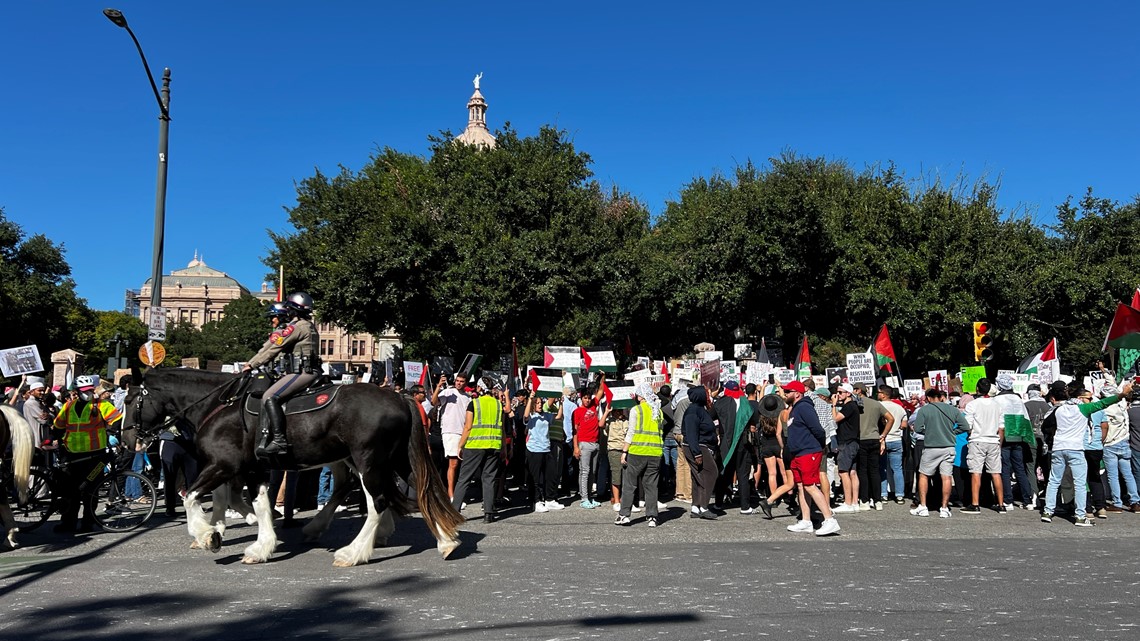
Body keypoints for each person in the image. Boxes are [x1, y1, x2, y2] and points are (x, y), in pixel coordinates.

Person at [1041, 380, 1132, 526]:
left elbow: (1046, 425)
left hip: (1059, 447)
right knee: (1080, 483)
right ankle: (1080, 515)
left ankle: (1048, 511)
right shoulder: (1083, 408)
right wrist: (1121, 394)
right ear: (1081, 397)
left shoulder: (1059, 409)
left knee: (1054, 481)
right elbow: (1103, 404)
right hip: (1076, 448)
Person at [244, 292, 322, 457]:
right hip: (313, 371)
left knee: (269, 396)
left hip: (302, 372)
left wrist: (251, 364)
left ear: (293, 310)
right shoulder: (308, 325)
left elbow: (273, 348)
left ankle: (279, 439)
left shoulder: (296, 327)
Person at [50, 375, 124, 533]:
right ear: (77, 391)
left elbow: (117, 420)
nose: (88, 393)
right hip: (72, 455)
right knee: (71, 491)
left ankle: (88, 521)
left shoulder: (101, 405)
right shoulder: (68, 406)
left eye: (90, 390)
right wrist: (54, 440)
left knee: (91, 490)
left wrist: (110, 433)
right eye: (84, 391)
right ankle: (68, 522)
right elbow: (58, 426)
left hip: (95, 456)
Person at [781, 381, 840, 536]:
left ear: (797, 393)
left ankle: (829, 519)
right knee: (800, 486)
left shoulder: (805, 407)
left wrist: (818, 446)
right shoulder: (795, 408)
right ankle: (806, 521)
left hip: (809, 451)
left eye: (788, 391)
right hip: (798, 453)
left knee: (810, 485)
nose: (785, 393)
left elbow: (818, 429)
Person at [451, 377, 506, 522]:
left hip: (475, 445)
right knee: (489, 479)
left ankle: (454, 512)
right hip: (494, 445)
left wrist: (460, 445)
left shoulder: (474, 404)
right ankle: (488, 513)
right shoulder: (499, 404)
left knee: (464, 479)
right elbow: (502, 428)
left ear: (479, 388)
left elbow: (468, 427)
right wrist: (504, 447)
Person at [909, 387, 968, 518]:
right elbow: (965, 426)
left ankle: (923, 506)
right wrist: (952, 433)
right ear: (940, 397)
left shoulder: (924, 410)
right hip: (948, 447)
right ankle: (944, 507)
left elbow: (917, 428)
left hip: (931, 447)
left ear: (928, 398)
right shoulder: (953, 410)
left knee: (924, 475)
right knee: (946, 477)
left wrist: (929, 433)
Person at [614, 383, 664, 527]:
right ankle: (652, 517)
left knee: (630, 485)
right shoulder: (658, 411)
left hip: (637, 452)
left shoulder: (636, 410)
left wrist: (624, 452)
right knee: (651, 486)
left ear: (640, 396)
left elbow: (631, 433)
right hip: (655, 453)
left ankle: (624, 515)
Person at [961, 378, 1006, 513]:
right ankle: (1001, 503)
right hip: (994, 440)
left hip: (978, 440)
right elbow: (1001, 428)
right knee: (996, 473)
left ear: (977, 389)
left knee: (976, 472)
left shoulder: (972, 405)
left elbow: (968, 425)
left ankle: (975, 504)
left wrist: (971, 433)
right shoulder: (997, 405)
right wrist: (999, 443)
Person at [713, 380, 758, 514]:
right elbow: (754, 420)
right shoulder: (746, 403)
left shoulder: (720, 403)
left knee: (724, 473)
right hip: (743, 443)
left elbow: (710, 416)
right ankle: (745, 506)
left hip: (726, 443)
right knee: (743, 474)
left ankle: (718, 504)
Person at [992, 373, 1035, 510]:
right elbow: (1025, 418)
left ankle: (1008, 500)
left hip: (1004, 437)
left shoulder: (997, 400)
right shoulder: (1018, 399)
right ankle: (1027, 500)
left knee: (1004, 468)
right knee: (1020, 469)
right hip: (1018, 437)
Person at [432, 371, 471, 500]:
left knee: (459, 464)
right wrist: (438, 386)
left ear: (466, 383)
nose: (459, 383)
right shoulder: (448, 392)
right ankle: (451, 494)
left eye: (462, 381)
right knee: (453, 464)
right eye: (457, 381)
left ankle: (455, 493)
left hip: (463, 431)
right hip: (450, 431)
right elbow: (434, 401)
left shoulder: (468, 397)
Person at [681, 385, 718, 520]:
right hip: (697, 446)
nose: (708, 396)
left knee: (698, 476)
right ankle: (704, 506)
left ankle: (696, 507)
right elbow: (691, 433)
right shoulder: (693, 411)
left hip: (700, 446)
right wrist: (697, 453)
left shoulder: (700, 409)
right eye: (706, 394)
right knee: (711, 473)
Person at [755, 394, 794, 519]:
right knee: (784, 473)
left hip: (766, 445)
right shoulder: (781, 415)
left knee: (772, 473)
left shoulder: (762, 417)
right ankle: (789, 495)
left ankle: (774, 497)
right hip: (778, 443)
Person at [572, 384, 607, 508]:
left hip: (595, 443)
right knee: (584, 471)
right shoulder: (577, 412)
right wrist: (575, 447)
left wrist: (602, 376)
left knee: (592, 472)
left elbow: (601, 390)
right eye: (585, 398)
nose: (587, 400)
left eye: (588, 398)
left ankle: (590, 497)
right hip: (584, 444)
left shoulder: (593, 405)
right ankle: (584, 498)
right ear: (581, 398)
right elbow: (574, 431)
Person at [524, 392, 559, 512]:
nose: (539, 405)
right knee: (536, 477)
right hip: (534, 449)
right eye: (537, 403)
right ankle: (537, 501)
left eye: (541, 403)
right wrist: (530, 399)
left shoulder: (546, 416)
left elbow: (558, 417)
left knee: (550, 475)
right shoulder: (532, 416)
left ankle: (549, 499)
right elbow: (525, 415)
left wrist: (562, 403)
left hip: (546, 448)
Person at [831, 383, 861, 513]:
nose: (838, 395)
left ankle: (848, 502)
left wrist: (833, 405)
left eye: (841, 392)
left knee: (843, 472)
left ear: (848, 393)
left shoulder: (849, 406)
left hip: (847, 442)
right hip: (853, 442)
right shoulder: (853, 406)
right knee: (852, 472)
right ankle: (854, 502)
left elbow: (835, 418)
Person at [877, 386, 907, 504]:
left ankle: (883, 494)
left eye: (879, 392)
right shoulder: (899, 408)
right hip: (896, 439)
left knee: (882, 468)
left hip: (882, 439)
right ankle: (899, 495)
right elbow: (904, 425)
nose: (877, 394)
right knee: (897, 469)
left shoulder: (879, 406)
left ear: (884, 394)